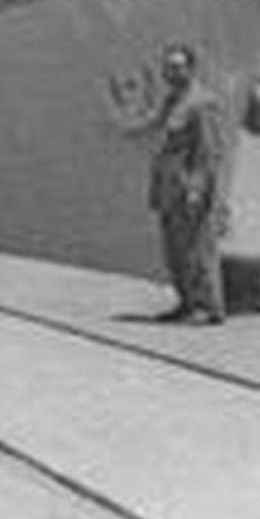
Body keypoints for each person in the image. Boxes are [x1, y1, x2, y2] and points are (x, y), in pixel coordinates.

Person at [107, 42, 227, 324]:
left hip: (189, 188)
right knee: (175, 249)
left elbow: (209, 151)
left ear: (191, 69)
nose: (171, 73)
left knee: (197, 247)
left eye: (177, 67)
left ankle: (207, 307)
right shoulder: (174, 100)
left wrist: (196, 189)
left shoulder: (201, 103)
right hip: (169, 188)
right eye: (168, 67)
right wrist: (121, 128)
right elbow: (156, 124)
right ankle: (186, 303)